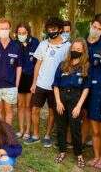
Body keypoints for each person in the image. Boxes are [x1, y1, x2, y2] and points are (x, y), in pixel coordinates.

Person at [26, 17, 70, 147]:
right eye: (49, 29)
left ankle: (47, 136)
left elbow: (67, 67)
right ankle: (35, 135)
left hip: (55, 87)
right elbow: (37, 64)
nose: (51, 31)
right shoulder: (43, 44)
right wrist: (34, 83)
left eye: (54, 29)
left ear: (60, 29)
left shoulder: (67, 46)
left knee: (52, 112)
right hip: (40, 84)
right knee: (35, 110)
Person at [52, 38, 89, 167]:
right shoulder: (63, 64)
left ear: (83, 50)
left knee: (75, 128)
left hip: (76, 99)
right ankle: (62, 151)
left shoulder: (85, 66)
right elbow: (56, 85)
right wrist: (58, 102)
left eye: (78, 49)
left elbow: (86, 88)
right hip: (61, 98)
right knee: (61, 127)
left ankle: (79, 154)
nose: (75, 51)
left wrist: (79, 106)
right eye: (73, 49)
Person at [0, 18, 22, 125]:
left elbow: (19, 66)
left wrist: (16, 83)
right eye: (2, 28)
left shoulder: (16, 46)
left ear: (10, 29)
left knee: (9, 111)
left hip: (10, 85)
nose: (4, 30)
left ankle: (7, 134)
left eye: (6, 28)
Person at [82, 14, 101, 147]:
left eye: (100, 28)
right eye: (94, 26)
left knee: (87, 113)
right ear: (90, 24)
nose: (96, 30)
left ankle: (81, 141)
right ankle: (71, 138)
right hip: (77, 82)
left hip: (94, 86)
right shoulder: (81, 42)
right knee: (75, 111)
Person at [15, 23, 39, 140]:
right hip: (19, 78)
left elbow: (37, 63)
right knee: (20, 105)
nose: (21, 35)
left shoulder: (35, 42)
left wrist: (35, 81)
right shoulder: (15, 43)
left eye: (23, 33)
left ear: (28, 32)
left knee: (28, 106)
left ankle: (28, 130)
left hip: (30, 77)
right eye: (19, 33)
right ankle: (21, 129)